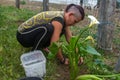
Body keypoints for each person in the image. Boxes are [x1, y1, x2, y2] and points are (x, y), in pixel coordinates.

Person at [16, 4, 85, 65]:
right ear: (70, 14)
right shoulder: (59, 19)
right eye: (75, 21)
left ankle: (42, 46)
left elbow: (70, 39)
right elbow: (54, 43)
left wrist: (78, 55)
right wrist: (62, 60)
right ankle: (34, 53)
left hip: (31, 34)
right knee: (48, 29)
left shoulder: (64, 19)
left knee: (55, 30)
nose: (74, 24)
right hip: (23, 35)